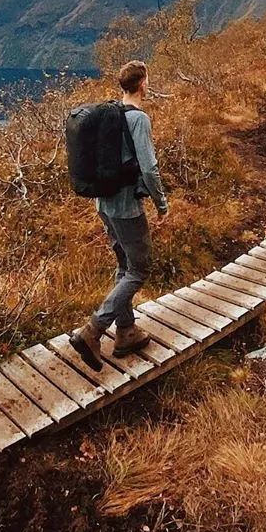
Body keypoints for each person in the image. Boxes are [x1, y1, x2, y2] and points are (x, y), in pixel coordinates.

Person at [70, 59, 168, 370]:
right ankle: (93, 330)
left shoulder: (110, 113)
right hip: (126, 207)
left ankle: (126, 332)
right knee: (139, 270)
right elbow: (149, 168)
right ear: (143, 84)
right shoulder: (138, 119)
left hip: (103, 204)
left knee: (124, 265)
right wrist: (162, 204)